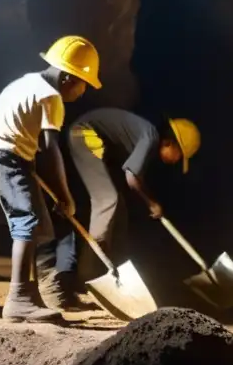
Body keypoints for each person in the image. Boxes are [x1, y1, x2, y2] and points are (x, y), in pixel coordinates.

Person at [0, 35, 101, 323]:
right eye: (84, 83)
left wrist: (23, 157)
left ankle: (31, 294)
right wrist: (65, 195)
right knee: (27, 220)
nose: (83, 92)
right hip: (5, 153)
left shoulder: (26, 81)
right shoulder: (52, 97)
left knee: (38, 223)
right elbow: (50, 148)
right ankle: (19, 299)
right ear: (69, 76)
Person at [36, 109, 201, 310]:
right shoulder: (150, 137)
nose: (176, 161)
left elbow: (129, 173)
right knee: (108, 200)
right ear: (170, 143)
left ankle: (115, 270)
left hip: (94, 140)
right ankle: (90, 275)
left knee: (119, 209)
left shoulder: (145, 136)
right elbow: (131, 176)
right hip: (84, 135)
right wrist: (152, 203)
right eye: (179, 155)